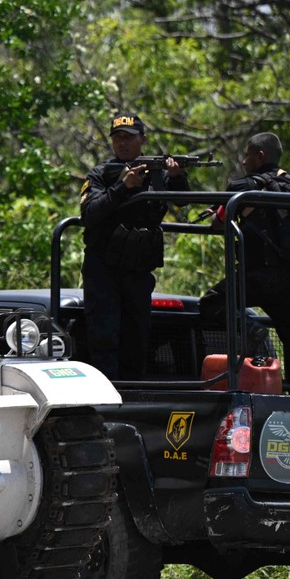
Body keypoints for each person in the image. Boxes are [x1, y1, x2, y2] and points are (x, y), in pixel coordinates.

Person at [198, 132, 290, 395]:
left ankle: (252, 331)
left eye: (247, 155)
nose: (244, 162)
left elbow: (219, 223)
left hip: (257, 277)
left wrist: (218, 210)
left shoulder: (245, 187)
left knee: (212, 303)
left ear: (260, 156)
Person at [79, 113, 191, 380]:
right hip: (104, 269)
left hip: (138, 269)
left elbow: (183, 202)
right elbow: (89, 213)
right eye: (117, 138)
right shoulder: (101, 174)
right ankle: (106, 400)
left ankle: (133, 399)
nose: (123, 143)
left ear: (142, 140)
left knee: (136, 339)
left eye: (128, 138)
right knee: (104, 337)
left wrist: (176, 176)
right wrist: (122, 187)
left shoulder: (157, 174)